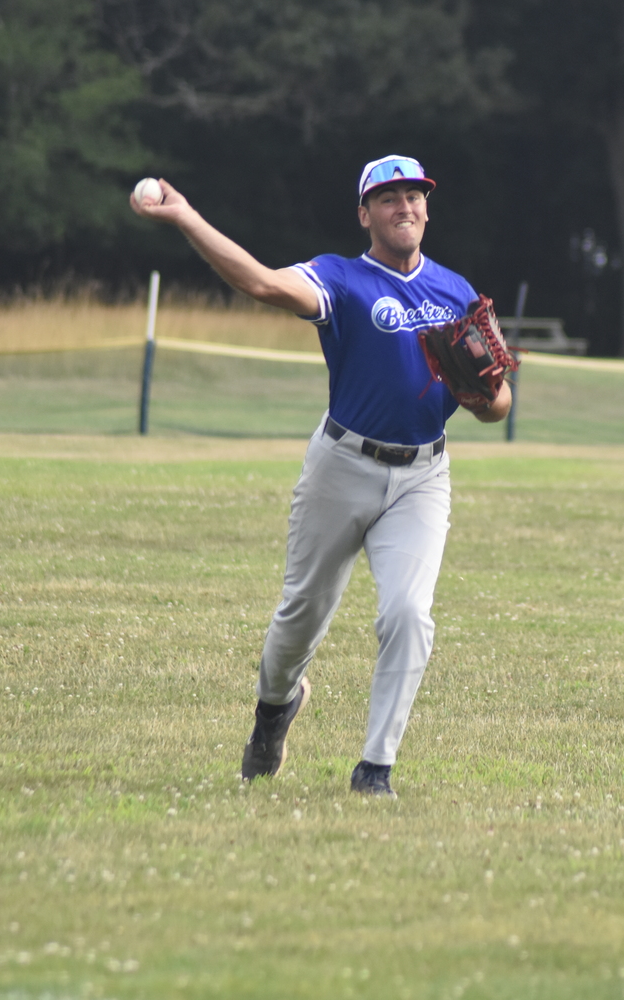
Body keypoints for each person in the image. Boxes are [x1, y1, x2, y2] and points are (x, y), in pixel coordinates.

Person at [130, 154, 511, 794]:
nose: (405, 207)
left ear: (427, 207)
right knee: (300, 615)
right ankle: (273, 712)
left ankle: (375, 770)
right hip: (342, 466)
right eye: (388, 198)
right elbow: (259, 283)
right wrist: (186, 216)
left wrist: (481, 394)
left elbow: (498, 405)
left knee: (409, 616)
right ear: (365, 214)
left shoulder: (457, 292)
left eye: (414, 195)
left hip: (422, 476)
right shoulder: (340, 278)